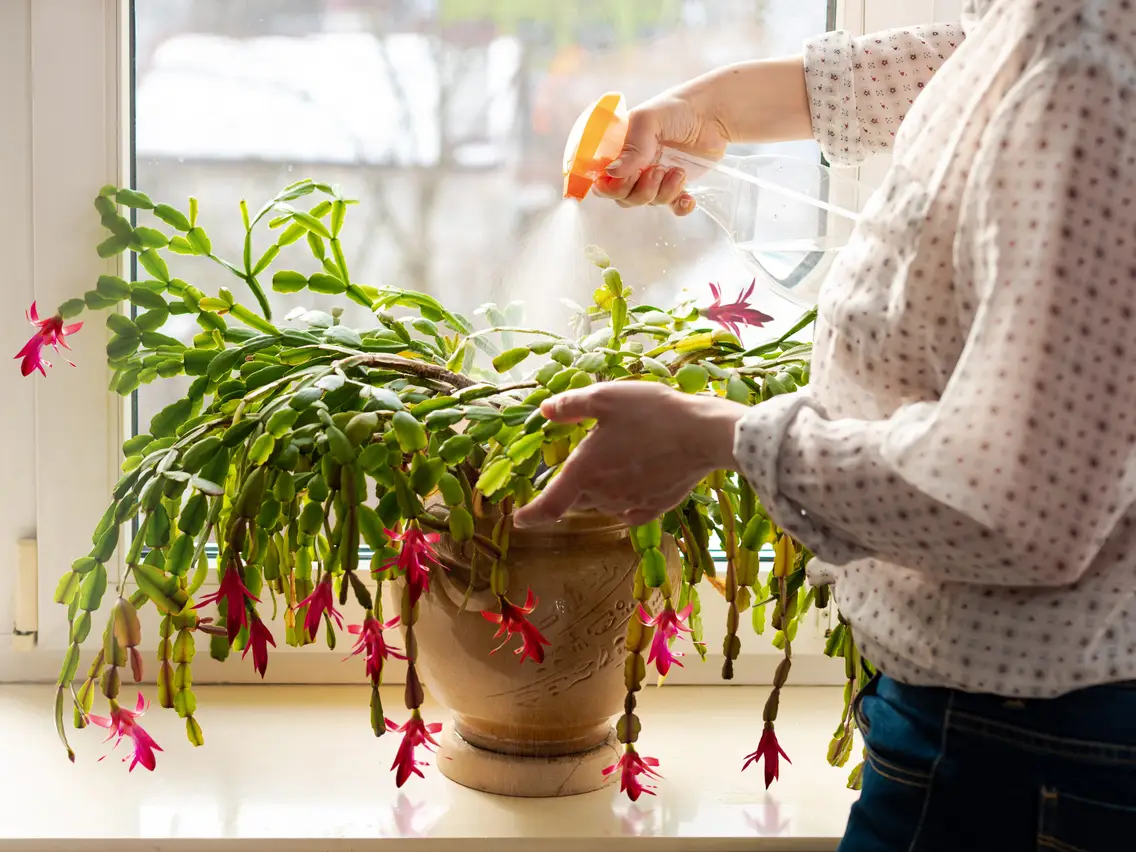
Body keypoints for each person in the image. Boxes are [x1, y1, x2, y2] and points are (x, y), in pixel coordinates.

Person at [512, 2, 1136, 850]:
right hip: (1017, 730)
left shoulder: (1091, 74)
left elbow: (1018, 506)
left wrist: (717, 434)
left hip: (1027, 751)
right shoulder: (1055, 39)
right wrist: (717, 109)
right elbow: (974, 62)